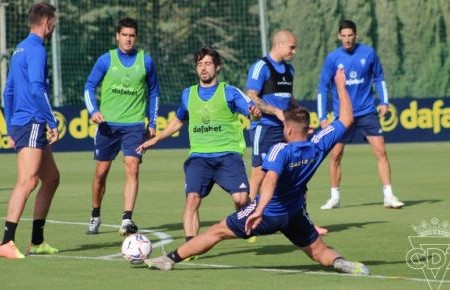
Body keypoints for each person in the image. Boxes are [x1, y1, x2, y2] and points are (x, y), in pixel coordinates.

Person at [144, 69, 369, 276]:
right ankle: (341, 263)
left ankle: (169, 258)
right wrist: (341, 85)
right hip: (295, 214)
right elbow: (346, 119)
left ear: (288, 129)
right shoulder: (317, 145)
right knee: (319, 251)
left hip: (269, 213)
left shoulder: (280, 150)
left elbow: (270, 180)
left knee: (216, 231)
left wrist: (259, 210)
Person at [137, 46, 257, 243]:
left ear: (217, 67)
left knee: (241, 199)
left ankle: (245, 223)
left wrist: (256, 112)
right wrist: (156, 139)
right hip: (199, 157)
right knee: (192, 199)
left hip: (228, 154)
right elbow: (178, 121)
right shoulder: (188, 94)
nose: (203, 68)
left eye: (208, 64)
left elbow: (251, 110)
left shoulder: (229, 92)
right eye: (200, 64)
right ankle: (191, 244)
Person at [246, 29, 328, 235]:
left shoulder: (289, 71)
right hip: (264, 128)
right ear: (279, 45)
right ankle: (247, 217)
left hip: (287, 129)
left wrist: (300, 120)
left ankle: (303, 221)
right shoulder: (260, 67)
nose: (294, 51)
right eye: (292, 47)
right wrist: (277, 112)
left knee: (297, 173)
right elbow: (252, 97)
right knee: (259, 173)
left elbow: (289, 99)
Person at [83, 17, 160, 235]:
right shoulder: (106, 60)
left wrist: (152, 122)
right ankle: (95, 214)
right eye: (124, 35)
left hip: (134, 125)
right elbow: (89, 86)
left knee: (132, 167)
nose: (128, 39)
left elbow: (154, 92)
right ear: (117, 36)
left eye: (132, 35)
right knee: (101, 172)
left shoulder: (146, 61)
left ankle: (127, 219)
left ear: (136, 37)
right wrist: (93, 110)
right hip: (107, 125)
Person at [317, 19, 404, 210]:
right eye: (344, 36)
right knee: (336, 155)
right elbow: (323, 88)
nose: (347, 39)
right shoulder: (332, 58)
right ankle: (334, 197)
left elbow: (379, 78)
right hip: (343, 115)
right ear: (339, 36)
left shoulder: (368, 53)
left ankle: (388, 196)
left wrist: (384, 101)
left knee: (381, 151)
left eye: (350, 35)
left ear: (356, 35)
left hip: (366, 112)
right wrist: (322, 116)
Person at [0, 2, 60, 259]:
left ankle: (37, 241)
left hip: (22, 122)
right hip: (33, 121)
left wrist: (11, 126)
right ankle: (6, 242)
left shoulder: (19, 49)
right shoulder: (36, 49)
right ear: (47, 22)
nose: (54, 26)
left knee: (51, 178)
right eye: (54, 22)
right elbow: (37, 89)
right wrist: (52, 121)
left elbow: (7, 91)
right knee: (27, 181)